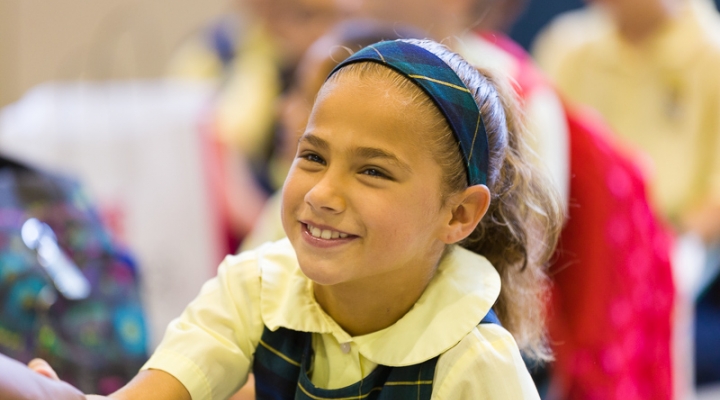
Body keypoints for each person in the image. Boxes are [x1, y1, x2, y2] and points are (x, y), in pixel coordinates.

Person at [25, 38, 563, 399]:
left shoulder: (477, 366)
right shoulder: (255, 289)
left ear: (460, 213)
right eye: (312, 157)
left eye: (373, 171)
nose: (323, 193)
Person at [534, 0, 720, 391]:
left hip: (675, 233)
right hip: (576, 229)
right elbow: (539, 159)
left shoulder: (711, 52)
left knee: (666, 283)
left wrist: (651, 244)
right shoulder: (567, 45)